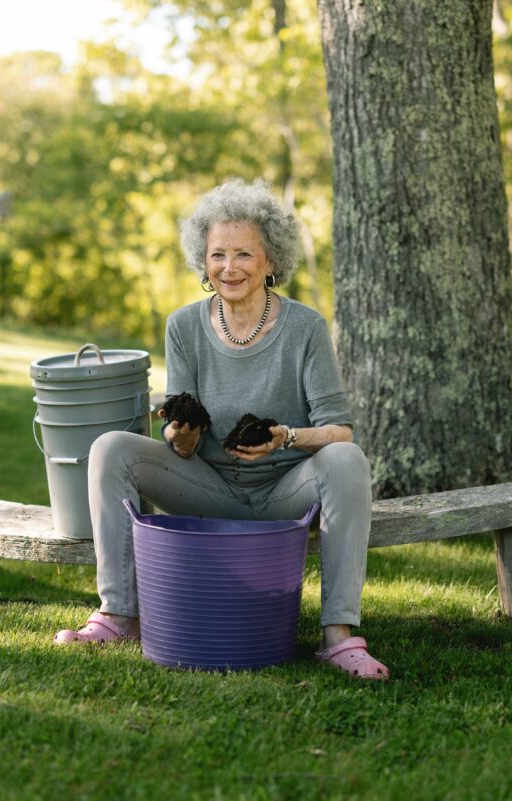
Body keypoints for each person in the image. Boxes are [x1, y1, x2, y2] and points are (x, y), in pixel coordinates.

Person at [54, 178, 388, 680]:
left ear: (271, 260)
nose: (229, 268)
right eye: (218, 255)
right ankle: (119, 614)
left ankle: (339, 636)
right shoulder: (184, 326)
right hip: (207, 487)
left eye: (244, 255)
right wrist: (180, 436)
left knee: (347, 458)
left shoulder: (306, 328)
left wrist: (285, 437)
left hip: (284, 492)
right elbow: (182, 437)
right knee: (110, 448)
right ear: (203, 262)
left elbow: (339, 432)